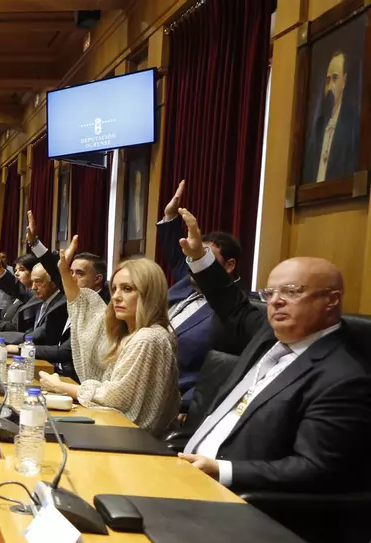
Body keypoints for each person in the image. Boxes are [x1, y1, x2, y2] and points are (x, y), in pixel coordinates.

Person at [174, 209, 371, 492]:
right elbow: (231, 303)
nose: (276, 301)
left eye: (291, 291)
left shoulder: (343, 379)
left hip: (238, 499)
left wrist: (223, 471)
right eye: (270, 293)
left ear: (331, 300)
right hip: (185, 474)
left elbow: (315, 467)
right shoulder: (268, 335)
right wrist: (198, 257)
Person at [38, 235, 179, 433]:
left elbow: (116, 397)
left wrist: (61, 387)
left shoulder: (149, 338)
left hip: (131, 438)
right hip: (115, 429)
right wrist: (63, 273)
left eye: (127, 289)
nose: (116, 297)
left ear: (149, 294)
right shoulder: (130, 333)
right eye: (114, 289)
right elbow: (84, 307)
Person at [157, 180, 247, 404]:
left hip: (176, 396)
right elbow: (177, 253)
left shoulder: (236, 308)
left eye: (204, 258)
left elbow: (219, 371)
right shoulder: (187, 280)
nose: (195, 265)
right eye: (194, 258)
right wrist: (170, 216)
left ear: (229, 265)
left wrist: (190, 407)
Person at [303, 50, 360, 184]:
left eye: (335, 78)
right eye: (328, 80)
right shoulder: (317, 128)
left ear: (344, 81)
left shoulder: (352, 125)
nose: (329, 87)